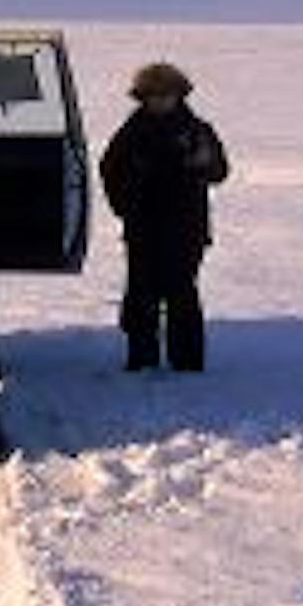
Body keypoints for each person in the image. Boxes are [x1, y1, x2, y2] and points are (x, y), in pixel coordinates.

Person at [98, 56, 231, 373]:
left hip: (186, 227)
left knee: (181, 291)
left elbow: (220, 171)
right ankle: (142, 359)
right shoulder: (131, 134)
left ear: (179, 95)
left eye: (165, 95)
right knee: (141, 292)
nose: (159, 102)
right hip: (143, 225)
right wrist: (124, 206)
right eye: (152, 96)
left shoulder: (197, 131)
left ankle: (186, 362)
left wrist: (202, 164)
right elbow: (109, 170)